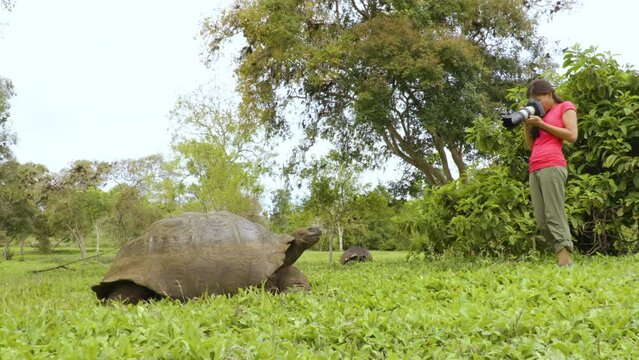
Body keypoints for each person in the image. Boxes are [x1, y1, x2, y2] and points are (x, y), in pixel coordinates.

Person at [523, 79, 578, 267]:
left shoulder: (565, 107)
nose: (535, 104)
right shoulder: (539, 116)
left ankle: (565, 261)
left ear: (548, 93)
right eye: (532, 101)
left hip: (553, 164)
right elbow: (532, 146)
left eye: (537, 99)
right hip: (535, 166)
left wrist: (543, 124)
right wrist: (528, 126)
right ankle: (562, 257)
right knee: (541, 219)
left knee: (554, 214)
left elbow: (572, 135)